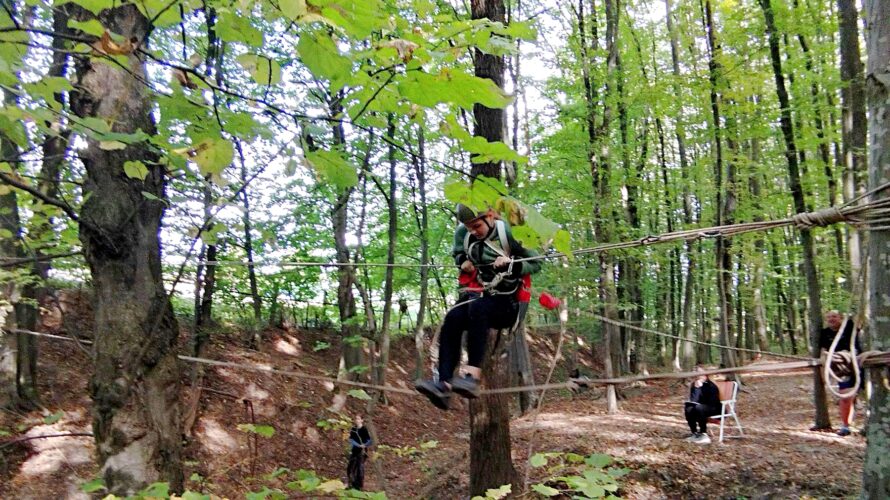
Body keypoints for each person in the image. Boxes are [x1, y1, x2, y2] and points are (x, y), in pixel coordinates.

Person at [415, 203, 543, 409]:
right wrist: (463, 261)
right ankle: (444, 385)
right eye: (468, 227)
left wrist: (511, 264)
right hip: (481, 296)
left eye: (477, 226)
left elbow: (536, 263)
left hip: (507, 304)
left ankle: (471, 377)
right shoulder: (463, 234)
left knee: (478, 308)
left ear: (490, 216)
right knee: (454, 316)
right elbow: (458, 253)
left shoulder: (508, 232)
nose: (473, 231)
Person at [818, 310, 862, 437]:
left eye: (835, 316)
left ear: (841, 318)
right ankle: (845, 425)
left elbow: (859, 321)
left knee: (856, 394)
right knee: (845, 395)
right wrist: (823, 371)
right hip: (842, 367)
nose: (832, 319)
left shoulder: (849, 326)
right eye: (829, 317)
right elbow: (823, 351)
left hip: (858, 362)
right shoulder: (825, 333)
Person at [684, 366, 721, 444]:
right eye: (697, 375)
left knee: (699, 408)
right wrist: (697, 388)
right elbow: (694, 400)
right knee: (689, 408)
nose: (698, 377)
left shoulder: (711, 386)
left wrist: (702, 389)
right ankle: (694, 433)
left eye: (700, 374)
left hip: (714, 408)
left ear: (705, 375)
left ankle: (703, 433)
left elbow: (713, 402)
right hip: (700, 408)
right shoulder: (695, 385)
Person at [346, 415, 372, 490]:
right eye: (356, 419)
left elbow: (369, 441)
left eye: (358, 419)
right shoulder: (353, 429)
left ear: (362, 420)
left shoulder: (364, 429)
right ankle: (351, 483)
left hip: (362, 452)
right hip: (354, 451)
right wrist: (357, 445)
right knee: (350, 467)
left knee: (359, 468)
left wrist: (364, 445)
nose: (356, 420)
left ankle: (359, 485)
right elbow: (351, 439)